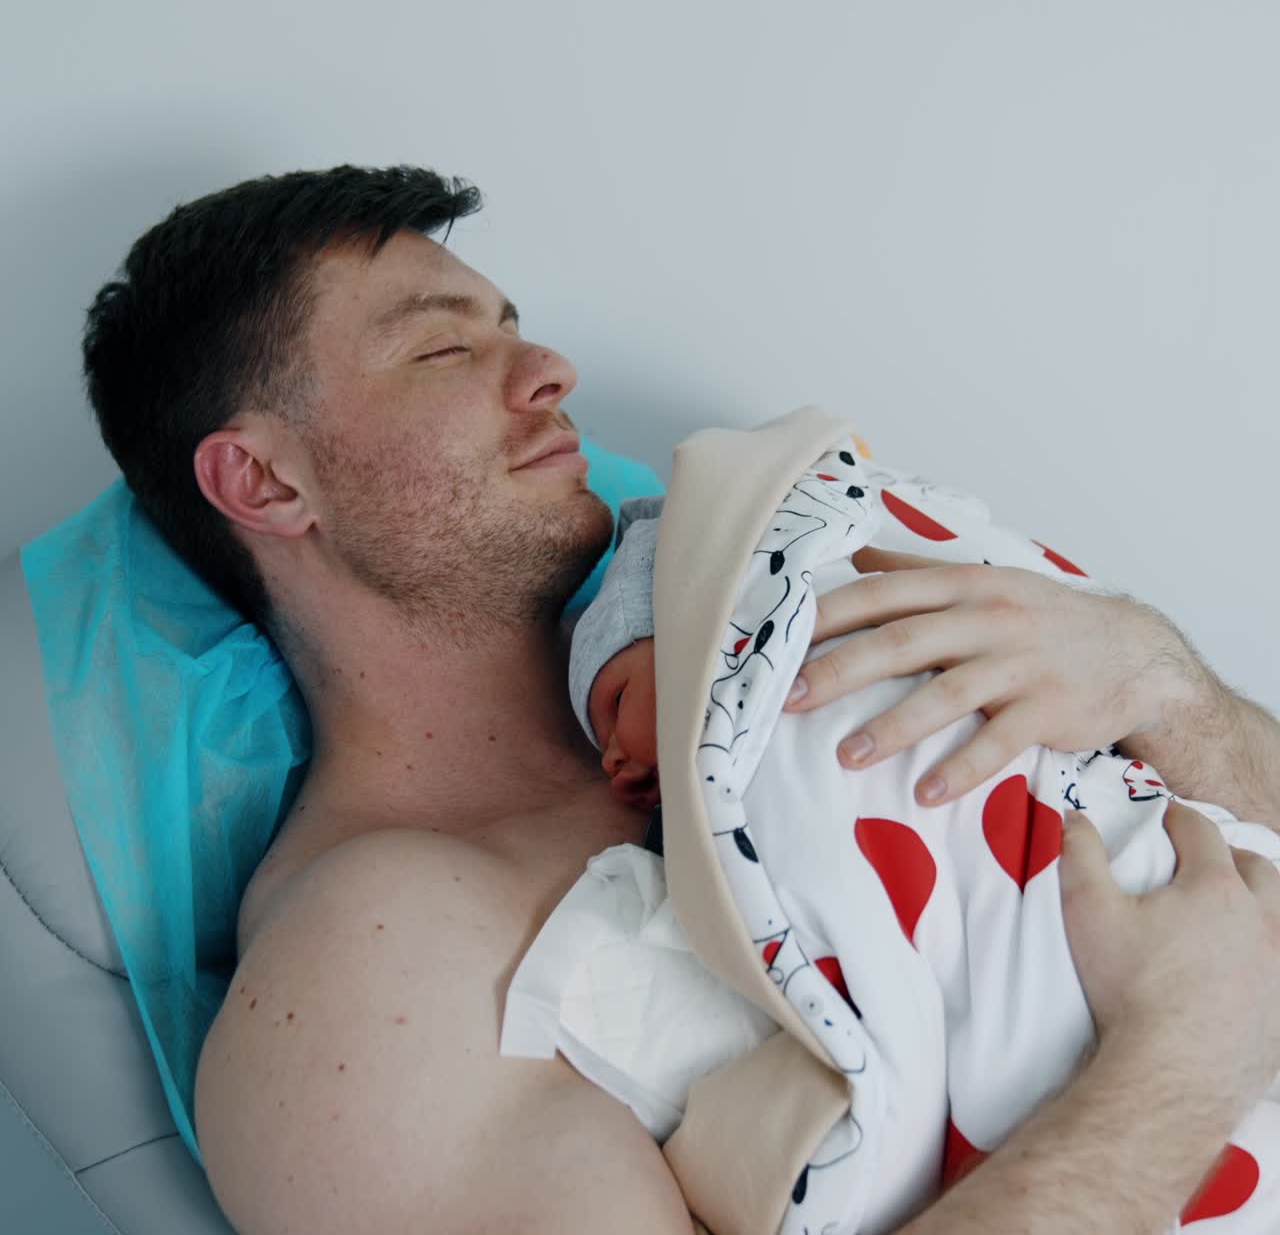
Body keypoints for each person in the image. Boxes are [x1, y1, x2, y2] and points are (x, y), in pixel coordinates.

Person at [77, 164, 1280, 1234]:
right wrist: (1182, 1054)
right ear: (265, 480)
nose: (549, 372)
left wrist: (1153, 675)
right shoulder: (367, 979)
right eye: (444, 349)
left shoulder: (764, 634)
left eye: (516, 328)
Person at [551, 479, 1280, 1228]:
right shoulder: (525, 960)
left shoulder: (847, 565)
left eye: (625, 696)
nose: (618, 755)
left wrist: (1164, 681)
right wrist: (1193, 1044)